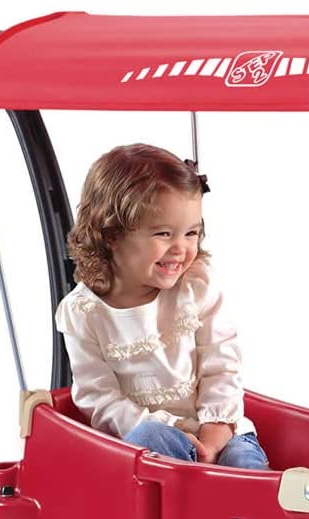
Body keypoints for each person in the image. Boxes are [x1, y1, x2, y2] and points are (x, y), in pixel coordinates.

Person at [56, 143, 268, 469]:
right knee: (151, 438)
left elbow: (221, 365)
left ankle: (249, 497)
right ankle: (191, 492)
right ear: (112, 235)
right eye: (164, 233)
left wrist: (215, 431)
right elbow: (100, 399)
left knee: (242, 462)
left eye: (191, 233)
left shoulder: (195, 286)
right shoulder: (85, 313)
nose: (181, 248)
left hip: (220, 430)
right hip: (147, 446)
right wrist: (173, 428)